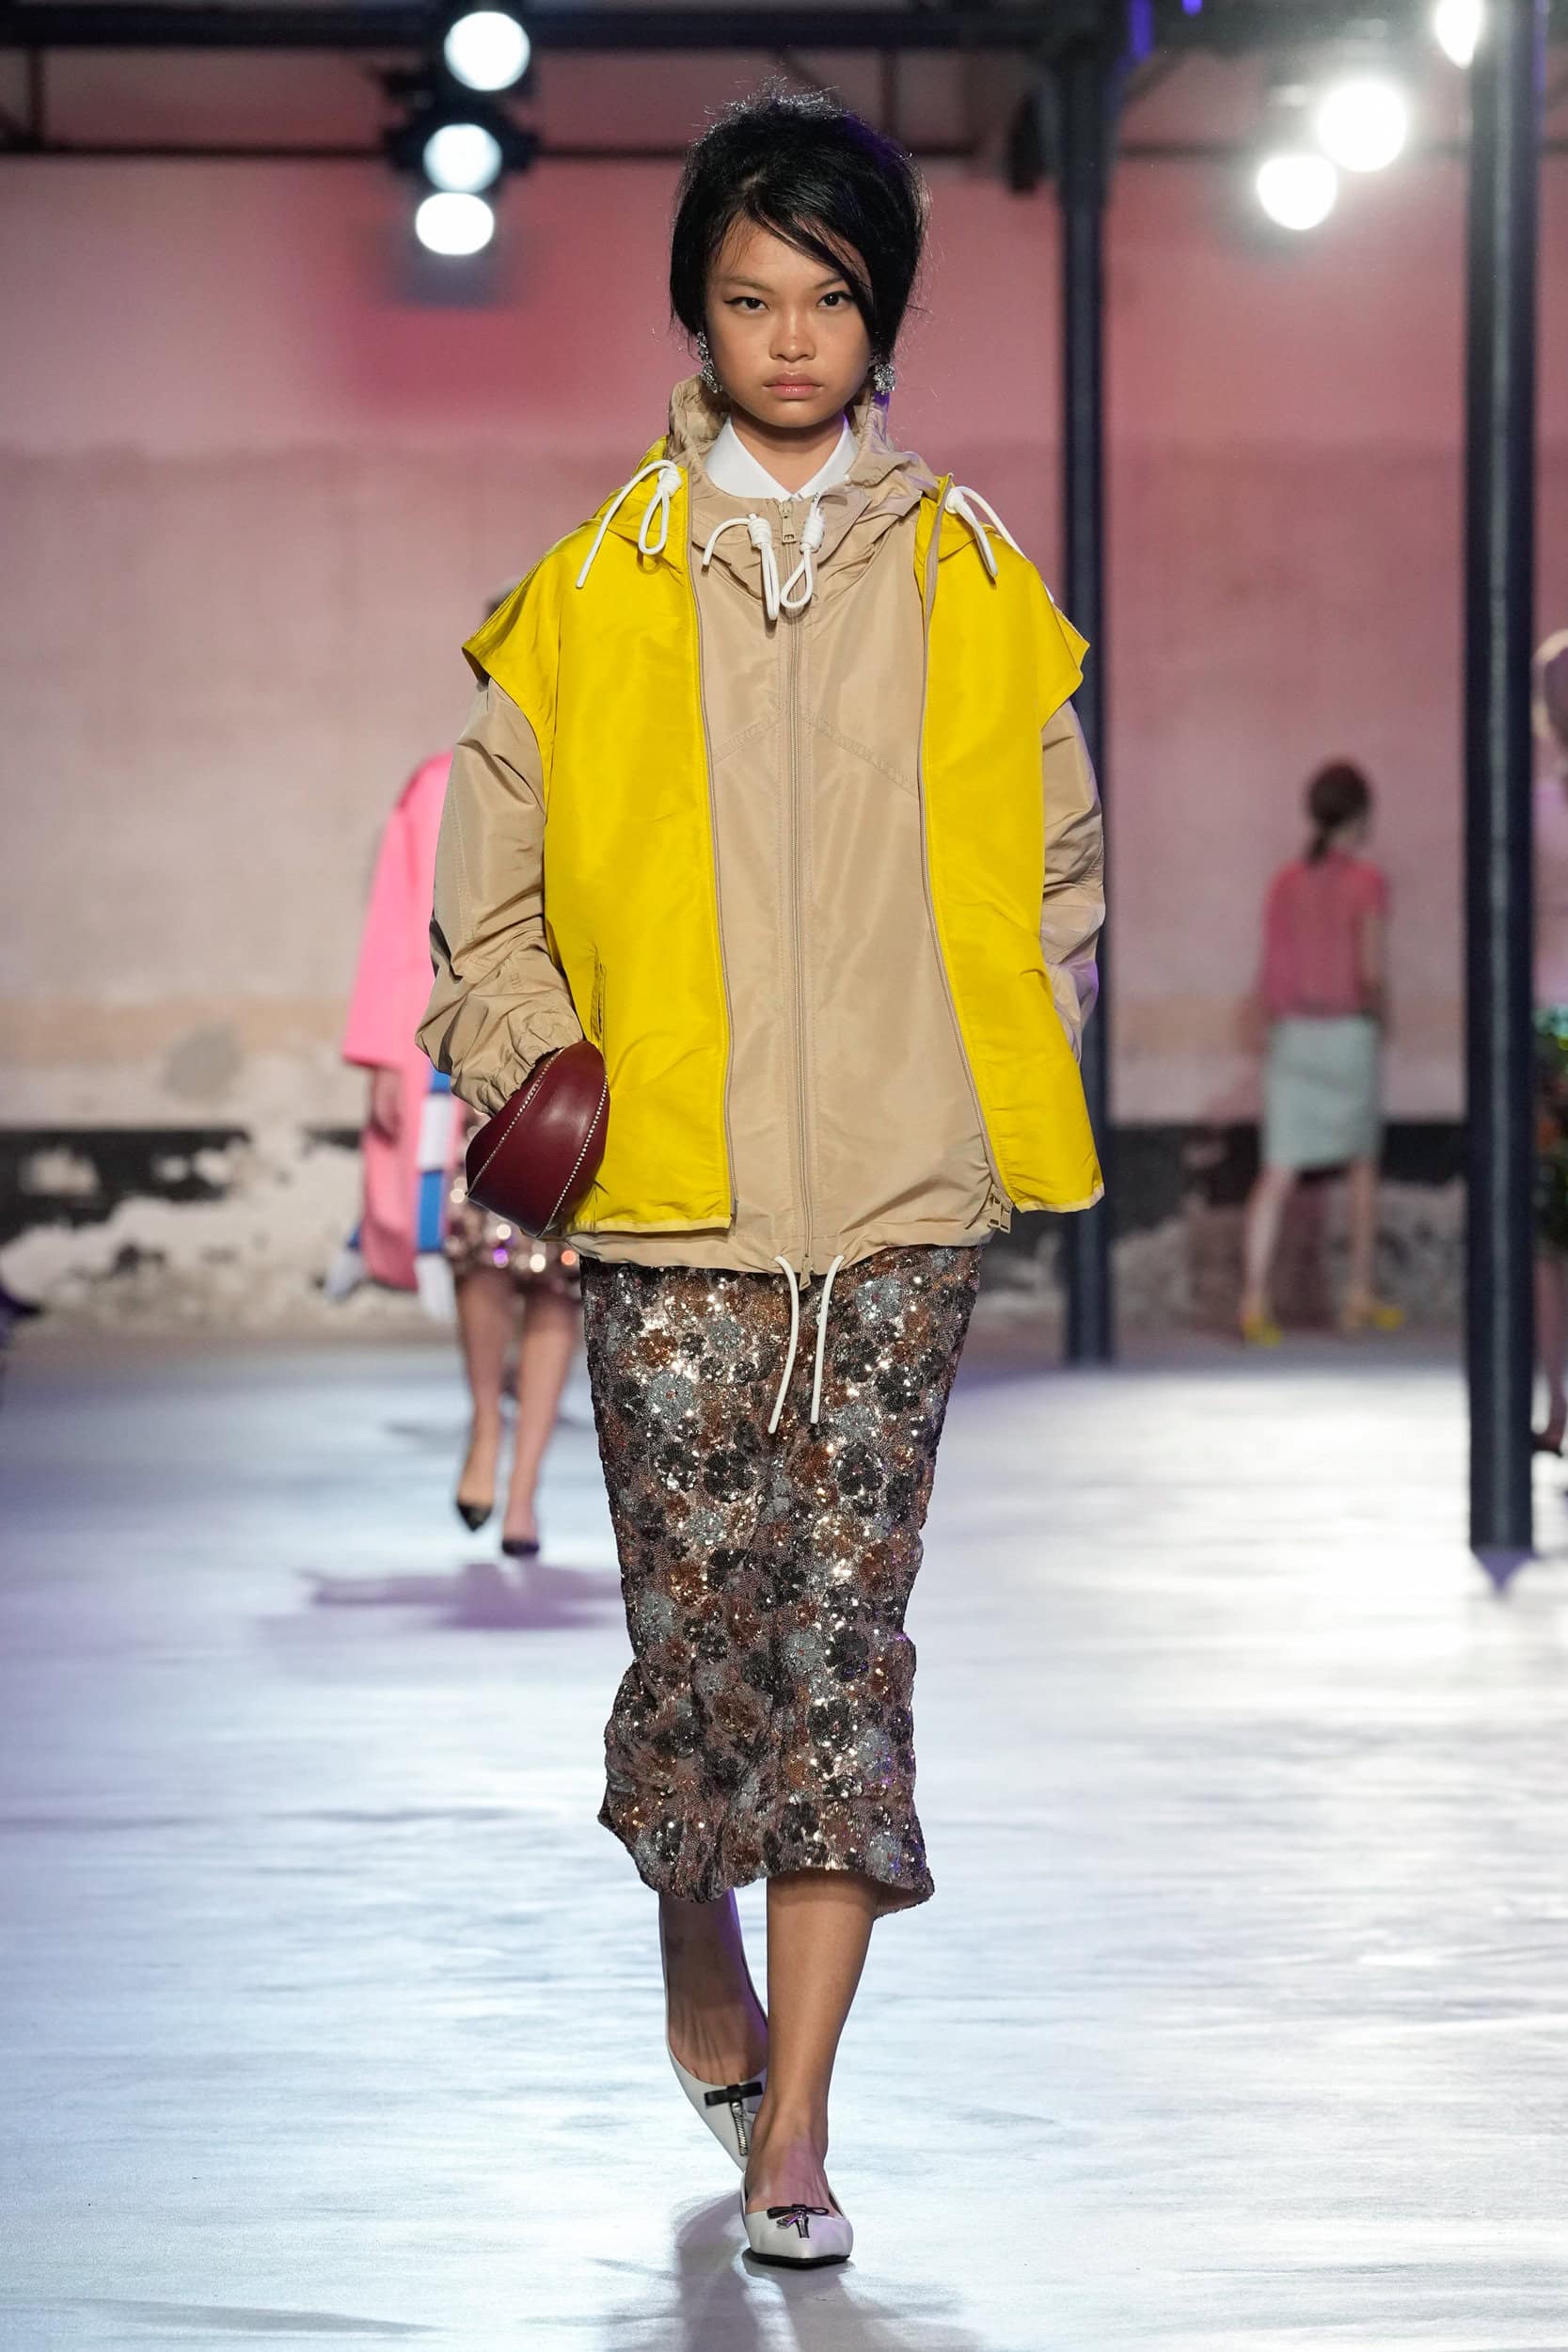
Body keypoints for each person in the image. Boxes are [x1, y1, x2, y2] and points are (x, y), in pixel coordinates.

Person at [418, 87, 1103, 2267]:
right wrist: (552, 1074)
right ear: (695, 315)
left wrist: (986, 1060)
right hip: (672, 1217)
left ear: (878, 312)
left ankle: (797, 2123)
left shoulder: (971, 576)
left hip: (896, 1220)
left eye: (826, 296)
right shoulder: (589, 590)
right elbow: (480, 913)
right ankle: (683, 1910)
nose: (789, 339)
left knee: (842, 1658)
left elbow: (1059, 869)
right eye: (747, 298)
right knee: (697, 1648)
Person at [341, 704, 579, 1554]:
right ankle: (486, 1423)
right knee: (482, 1259)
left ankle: (524, 1490)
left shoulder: (594, 775)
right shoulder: (440, 786)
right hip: (467, 1063)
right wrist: (385, 1055)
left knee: (560, 1275)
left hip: (574, 1058)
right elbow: (398, 929)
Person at [1239, 761, 1400, 1345]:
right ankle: (1359, 1294)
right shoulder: (1367, 882)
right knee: (1360, 1166)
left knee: (1277, 1171)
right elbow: (1371, 970)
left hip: (1293, 1036)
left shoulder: (1285, 883)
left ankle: (1254, 1301)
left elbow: (1269, 970)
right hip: (1348, 1035)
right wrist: (1384, 1018)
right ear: (1360, 814)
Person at [1531, 631, 1568, 1452]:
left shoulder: (1529, 808)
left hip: (1541, 1022)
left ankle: (1558, 1405)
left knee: (1545, 1236)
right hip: (1541, 1026)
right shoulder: (1530, 806)